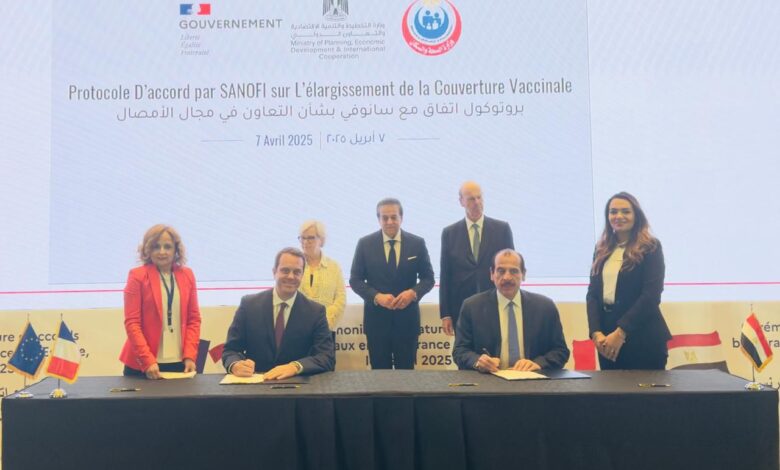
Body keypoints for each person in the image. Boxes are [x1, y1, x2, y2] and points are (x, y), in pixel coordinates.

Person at [586, 192, 671, 370]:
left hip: (643, 337)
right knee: (611, 389)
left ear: (636, 216)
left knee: (645, 390)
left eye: (625, 211)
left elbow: (651, 295)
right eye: (613, 212)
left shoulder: (651, 247)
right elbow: (592, 294)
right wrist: (596, 332)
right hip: (607, 340)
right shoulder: (601, 249)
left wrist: (621, 332)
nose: (618, 216)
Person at [222, 247, 334, 379]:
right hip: (256, 385)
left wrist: (295, 367)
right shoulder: (249, 305)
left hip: (297, 386)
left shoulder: (315, 312)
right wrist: (235, 365)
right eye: (285, 270)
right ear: (274, 272)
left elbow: (326, 357)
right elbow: (231, 350)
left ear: (302, 275)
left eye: (297, 272)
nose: (291, 276)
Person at [350, 198, 435, 369]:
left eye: (394, 217)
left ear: (401, 217)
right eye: (385, 217)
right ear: (378, 219)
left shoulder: (417, 243)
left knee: (406, 376)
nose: (389, 221)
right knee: (380, 377)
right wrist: (376, 296)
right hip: (377, 323)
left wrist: (413, 293)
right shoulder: (365, 244)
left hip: (407, 322)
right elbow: (355, 280)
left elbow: (428, 278)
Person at [453, 249, 569, 372]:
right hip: (489, 379)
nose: (507, 277)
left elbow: (560, 351)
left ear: (523, 274)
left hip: (532, 379)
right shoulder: (472, 307)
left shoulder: (545, 307)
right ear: (492, 274)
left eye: (514, 271)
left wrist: (538, 364)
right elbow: (460, 351)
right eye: (501, 271)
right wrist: (478, 361)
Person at [120, 224, 202, 379]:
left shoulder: (188, 275)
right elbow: (132, 323)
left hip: (180, 362)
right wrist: (147, 360)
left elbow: (194, 319)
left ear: (176, 249)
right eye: (156, 246)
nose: (162, 252)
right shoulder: (137, 276)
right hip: (144, 365)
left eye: (168, 247)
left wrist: (190, 355)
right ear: (147, 249)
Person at [439, 181, 514, 336]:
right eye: (471, 199)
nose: (477, 202)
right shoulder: (449, 233)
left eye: (479, 197)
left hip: (496, 305)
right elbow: (445, 275)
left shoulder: (501, 229)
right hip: (461, 308)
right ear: (461, 201)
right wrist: (445, 314)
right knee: (465, 350)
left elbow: (512, 270)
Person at [297, 220, 346, 333]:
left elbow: (341, 299)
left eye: (310, 238)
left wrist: (323, 322)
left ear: (322, 240)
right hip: (298, 330)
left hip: (326, 329)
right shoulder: (295, 265)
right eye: (302, 238)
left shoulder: (334, 267)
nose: (305, 242)